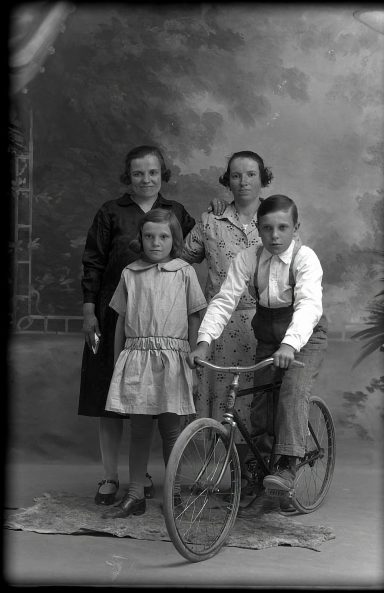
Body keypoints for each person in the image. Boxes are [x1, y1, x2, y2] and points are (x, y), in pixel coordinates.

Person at [79, 145, 223, 506]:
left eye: (153, 172)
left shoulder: (176, 215)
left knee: (167, 417)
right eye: (138, 173)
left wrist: (220, 211)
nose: (146, 179)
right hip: (120, 321)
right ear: (128, 176)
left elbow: (197, 243)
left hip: (170, 335)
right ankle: (115, 477)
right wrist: (88, 311)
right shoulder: (111, 212)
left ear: (163, 175)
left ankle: (158, 483)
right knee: (115, 404)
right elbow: (93, 262)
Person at [189, 195, 328, 517]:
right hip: (267, 335)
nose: (275, 236)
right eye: (267, 228)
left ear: (296, 228)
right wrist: (204, 342)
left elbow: (308, 306)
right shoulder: (248, 258)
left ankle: (288, 466)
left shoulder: (305, 259)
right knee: (260, 407)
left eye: (282, 228)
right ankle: (265, 484)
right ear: (258, 229)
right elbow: (225, 300)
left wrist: (290, 345)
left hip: (305, 337)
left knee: (291, 392)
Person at [101, 209, 207, 518]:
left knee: (171, 429)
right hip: (137, 357)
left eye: (163, 237)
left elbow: (194, 316)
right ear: (141, 238)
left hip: (173, 358)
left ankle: (172, 493)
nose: (155, 242)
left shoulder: (184, 271)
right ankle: (135, 494)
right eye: (149, 236)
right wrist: (119, 360)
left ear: (174, 240)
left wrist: (192, 358)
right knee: (139, 430)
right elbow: (121, 321)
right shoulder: (130, 273)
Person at [182, 151, 273, 490]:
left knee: (255, 401)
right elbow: (181, 257)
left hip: (262, 325)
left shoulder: (274, 218)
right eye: (236, 175)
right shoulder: (211, 221)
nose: (243, 181)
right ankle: (226, 475)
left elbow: (295, 266)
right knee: (221, 401)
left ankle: (255, 476)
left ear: (262, 178)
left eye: (251, 174)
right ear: (227, 181)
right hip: (219, 324)